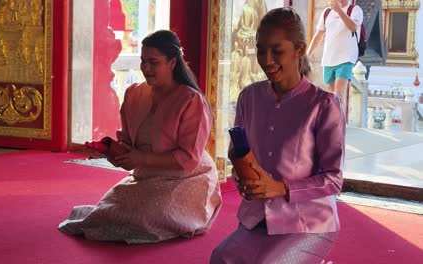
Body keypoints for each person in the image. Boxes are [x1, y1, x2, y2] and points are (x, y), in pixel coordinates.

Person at [59, 30, 222, 244]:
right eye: (143, 61)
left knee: (148, 217)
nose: (146, 68)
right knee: (106, 213)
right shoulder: (134, 94)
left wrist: (141, 159)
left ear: (172, 63)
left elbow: (189, 160)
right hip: (145, 176)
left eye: (153, 62)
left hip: (187, 178)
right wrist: (111, 152)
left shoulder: (191, 101)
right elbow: (128, 144)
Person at [210, 7, 345, 263]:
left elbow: (334, 180)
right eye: (261, 50)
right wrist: (243, 179)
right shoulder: (249, 98)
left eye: (277, 51)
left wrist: (279, 188)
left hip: (308, 222)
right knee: (220, 259)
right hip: (257, 218)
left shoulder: (324, 105)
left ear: (300, 50)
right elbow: (237, 154)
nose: (267, 60)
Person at [307, 0, 363, 108]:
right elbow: (319, 35)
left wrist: (339, 11)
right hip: (329, 58)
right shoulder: (327, 12)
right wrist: (308, 54)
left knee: (338, 92)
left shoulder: (355, 10)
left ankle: (338, 122)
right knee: (331, 94)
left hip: (347, 57)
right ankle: (333, 119)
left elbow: (353, 27)